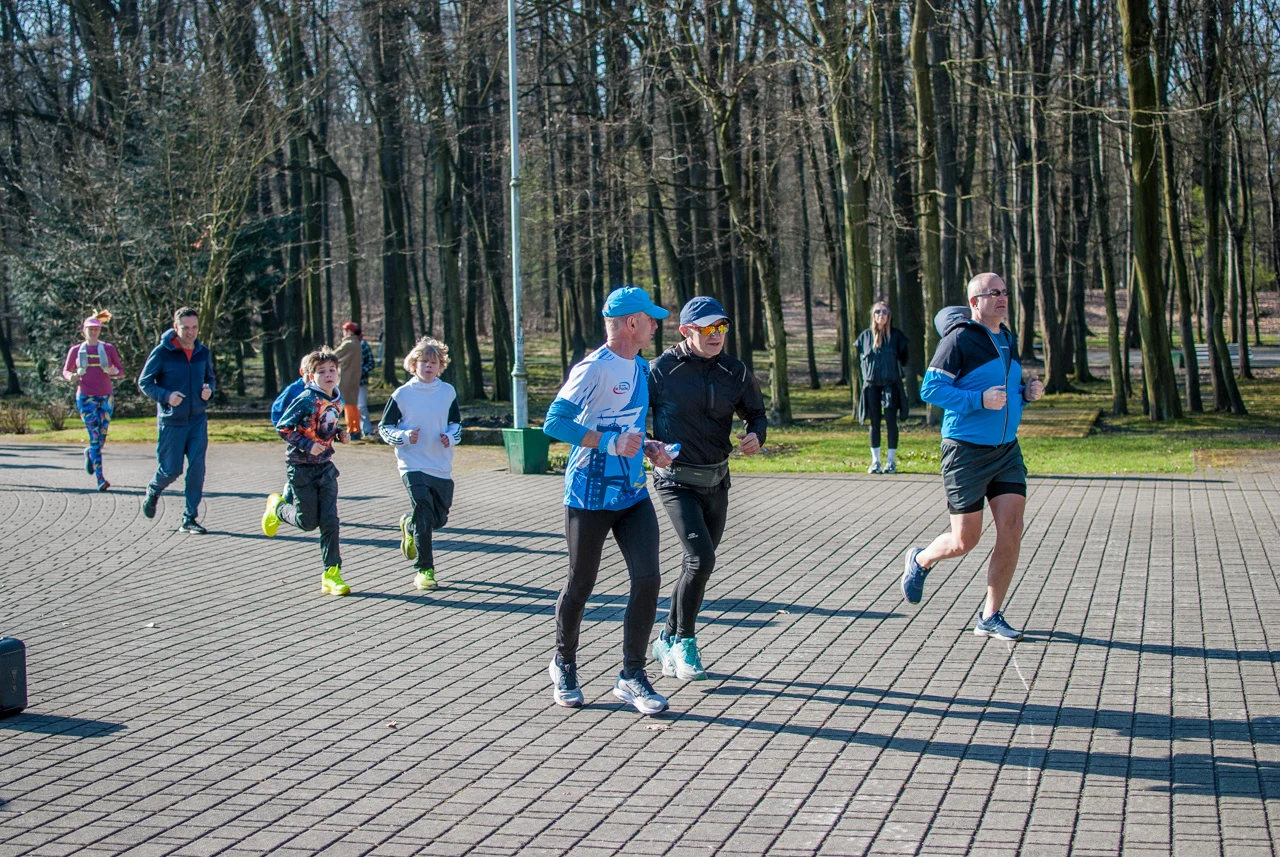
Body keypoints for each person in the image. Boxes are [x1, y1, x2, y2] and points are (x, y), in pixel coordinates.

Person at [542, 286, 672, 716]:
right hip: (589, 493)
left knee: (649, 578)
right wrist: (609, 443)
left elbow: (628, 429)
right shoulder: (592, 368)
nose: (656, 325)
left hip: (632, 492)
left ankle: (631, 675)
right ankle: (563, 662)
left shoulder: (639, 367)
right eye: (651, 319)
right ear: (632, 322)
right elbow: (553, 423)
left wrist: (650, 447)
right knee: (582, 582)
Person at [901, 273, 1045, 641]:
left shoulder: (1006, 337)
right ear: (974, 302)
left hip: (1006, 450)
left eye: (1004, 292)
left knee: (1012, 528)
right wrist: (977, 401)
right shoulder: (959, 339)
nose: (1001, 298)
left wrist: (1025, 393)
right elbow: (930, 389)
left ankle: (991, 615)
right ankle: (921, 559)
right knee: (965, 541)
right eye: (992, 293)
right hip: (965, 451)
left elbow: (1006, 388)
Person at [647, 296, 767, 681]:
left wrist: (756, 435)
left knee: (695, 564)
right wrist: (651, 445)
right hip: (675, 481)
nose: (717, 336)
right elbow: (633, 419)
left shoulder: (735, 370)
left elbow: (757, 413)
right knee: (702, 559)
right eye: (708, 329)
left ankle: (665, 637)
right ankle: (685, 643)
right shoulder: (660, 370)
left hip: (717, 479)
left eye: (722, 328)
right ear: (686, 331)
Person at [261, 348, 351, 596]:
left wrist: (339, 434)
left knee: (330, 521)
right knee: (307, 522)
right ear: (311, 376)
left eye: (332, 370)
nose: (328, 375)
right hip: (300, 468)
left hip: (325, 467)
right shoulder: (304, 399)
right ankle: (278, 508)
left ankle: (332, 574)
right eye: (322, 372)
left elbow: (325, 425)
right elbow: (284, 428)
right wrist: (307, 445)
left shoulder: (337, 401)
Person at [379, 337, 462, 592]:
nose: (428, 366)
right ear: (413, 365)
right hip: (412, 464)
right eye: (423, 361)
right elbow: (384, 428)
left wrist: (451, 436)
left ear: (440, 367)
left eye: (433, 362)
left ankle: (409, 523)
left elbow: (456, 424)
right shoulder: (402, 394)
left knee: (438, 519)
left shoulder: (448, 392)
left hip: (440, 465)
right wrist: (403, 437)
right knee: (424, 513)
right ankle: (425, 571)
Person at [138, 307, 215, 533]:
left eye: (194, 327)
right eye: (185, 328)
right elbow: (145, 382)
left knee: (197, 469)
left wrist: (209, 390)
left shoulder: (203, 353)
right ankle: (154, 489)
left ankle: (189, 518)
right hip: (172, 422)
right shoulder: (162, 352)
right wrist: (166, 396)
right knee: (171, 470)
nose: (191, 332)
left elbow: (210, 379)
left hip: (197, 420)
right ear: (176, 328)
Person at [62, 310, 124, 491]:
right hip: (85, 397)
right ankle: (100, 479)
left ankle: (90, 454)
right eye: (90, 329)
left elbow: (120, 370)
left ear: (100, 331)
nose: (93, 332)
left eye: (96, 329)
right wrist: (72, 376)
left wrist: (114, 372)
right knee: (95, 436)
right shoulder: (76, 350)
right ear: (84, 331)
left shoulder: (108, 349)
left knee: (101, 436)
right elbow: (66, 371)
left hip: (106, 396)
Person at [854, 300, 910, 474]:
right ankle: (875, 461)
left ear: (889, 315)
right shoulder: (864, 337)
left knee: (891, 421)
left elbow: (905, 358)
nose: (881, 314)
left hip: (890, 385)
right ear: (873, 314)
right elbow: (859, 359)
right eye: (878, 311)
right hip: (871, 386)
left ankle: (890, 462)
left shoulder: (896, 337)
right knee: (874, 422)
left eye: (885, 311)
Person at [333, 323, 364, 440]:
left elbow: (334, 355)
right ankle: (356, 428)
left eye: (345, 330)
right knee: (353, 404)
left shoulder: (349, 344)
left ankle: (351, 429)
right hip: (354, 378)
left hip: (347, 378)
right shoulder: (357, 343)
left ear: (349, 331)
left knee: (348, 405)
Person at [358, 325, 377, 436]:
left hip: (361, 382)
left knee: (362, 407)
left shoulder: (364, 346)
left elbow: (371, 363)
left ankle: (367, 430)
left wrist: (361, 371)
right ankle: (354, 431)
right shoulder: (347, 346)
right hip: (349, 383)